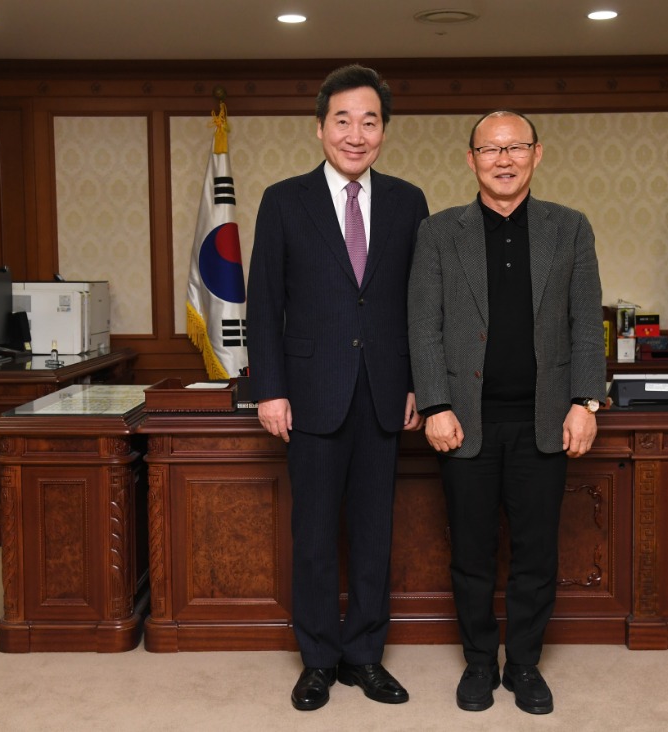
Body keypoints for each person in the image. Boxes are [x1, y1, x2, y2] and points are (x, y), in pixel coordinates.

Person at [407, 110, 605, 715]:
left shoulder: (569, 228)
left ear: (536, 155)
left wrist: (585, 401)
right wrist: (436, 402)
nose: (503, 158)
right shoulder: (439, 232)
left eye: (515, 147)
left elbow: (584, 323)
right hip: (465, 420)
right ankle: (477, 664)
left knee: (536, 554)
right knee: (470, 553)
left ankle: (523, 666)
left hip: (544, 420)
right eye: (490, 149)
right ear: (471, 160)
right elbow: (425, 326)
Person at [247, 64, 429, 712]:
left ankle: (365, 656)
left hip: (385, 392)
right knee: (316, 536)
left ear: (385, 130)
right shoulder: (283, 200)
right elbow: (263, 304)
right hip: (310, 393)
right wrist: (269, 388)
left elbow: (418, 303)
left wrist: (419, 386)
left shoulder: (409, 202)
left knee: (376, 534)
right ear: (320, 127)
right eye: (343, 120)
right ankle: (319, 660)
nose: (357, 133)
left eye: (370, 120)